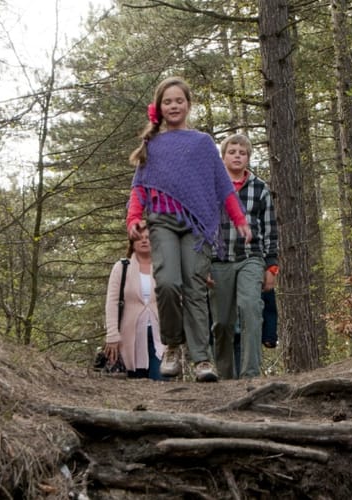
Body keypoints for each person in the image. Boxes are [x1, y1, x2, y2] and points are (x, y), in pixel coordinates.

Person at [126, 76, 251, 383]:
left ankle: (201, 360)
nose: (173, 106)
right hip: (162, 220)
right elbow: (139, 188)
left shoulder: (202, 143)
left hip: (197, 225)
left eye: (178, 100)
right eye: (167, 101)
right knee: (168, 283)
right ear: (159, 107)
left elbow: (223, 186)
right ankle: (171, 345)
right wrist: (133, 218)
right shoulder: (152, 145)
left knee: (195, 288)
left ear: (188, 105)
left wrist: (240, 219)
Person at [210, 134, 278, 379]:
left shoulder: (260, 188)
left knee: (251, 309)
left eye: (242, 152)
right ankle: (226, 377)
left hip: (251, 258)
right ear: (223, 156)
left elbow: (270, 229)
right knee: (222, 323)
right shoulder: (212, 187)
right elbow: (201, 226)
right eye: (232, 151)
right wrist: (202, 264)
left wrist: (271, 267)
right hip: (218, 261)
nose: (237, 155)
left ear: (248, 157)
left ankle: (250, 375)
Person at [104, 228, 165, 380]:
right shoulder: (122, 267)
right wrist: (112, 335)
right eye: (139, 238)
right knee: (136, 383)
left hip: (160, 336)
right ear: (132, 243)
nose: (144, 241)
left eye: (148, 237)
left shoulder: (164, 267)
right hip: (130, 337)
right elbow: (111, 302)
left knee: (161, 380)